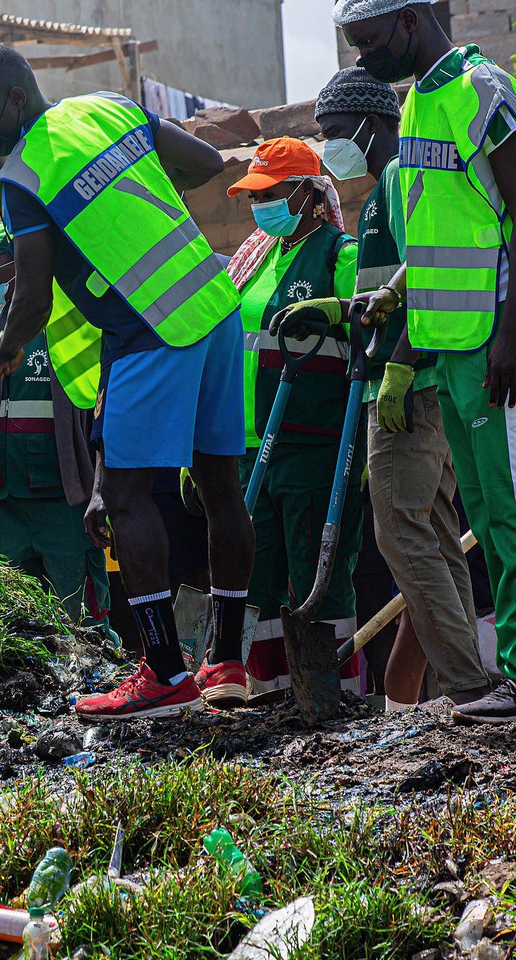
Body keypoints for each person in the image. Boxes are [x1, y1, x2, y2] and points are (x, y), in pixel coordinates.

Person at [0, 45, 253, 720]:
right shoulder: (109, 109)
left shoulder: (23, 172)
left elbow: (30, 299)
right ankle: (226, 660)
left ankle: (166, 674)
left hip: (151, 328)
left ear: (16, 98)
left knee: (121, 496)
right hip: (212, 302)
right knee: (218, 481)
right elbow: (205, 163)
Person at [334, 0, 516, 722]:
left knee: (505, 515)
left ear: (410, 20)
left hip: (490, 346)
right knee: (490, 516)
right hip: (448, 351)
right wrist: (393, 295)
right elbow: (444, 231)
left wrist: (511, 334)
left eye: (371, 41)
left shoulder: (481, 90)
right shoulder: (415, 105)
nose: (363, 59)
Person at [225, 137, 364, 696]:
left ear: (309, 194)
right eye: (254, 195)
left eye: (272, 193)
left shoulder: (339, 253)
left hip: (313, 442)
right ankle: (271, 701)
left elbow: (369, 325)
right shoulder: (257, 256)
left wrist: (336, 309)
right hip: (247, 442)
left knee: (318, 577)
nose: (260, 206)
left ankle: (335, 699)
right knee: (256, 581)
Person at [0, 225, 111, 624]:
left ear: (22, 262)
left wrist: (102, 490)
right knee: (17, 625)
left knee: (82, 621)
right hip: (3, 503)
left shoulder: (73, 324)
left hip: (63, 501)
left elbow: (104, 413)